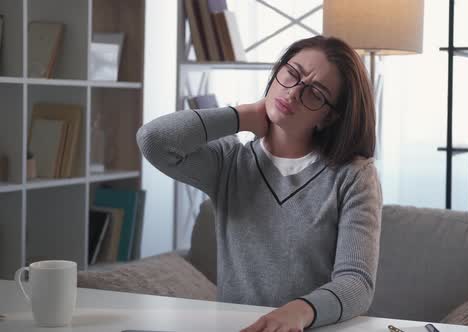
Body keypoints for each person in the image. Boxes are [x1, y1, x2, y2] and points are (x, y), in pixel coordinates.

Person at [137, 35, 382, 331]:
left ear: (327, 117)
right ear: (278, 70)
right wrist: (241, 116)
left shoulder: (353, 176)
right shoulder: (229, 161)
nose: (293, 94)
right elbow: (153, 140)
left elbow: (356, 283)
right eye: (292, 74)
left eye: (315, 93)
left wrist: (300, 312)